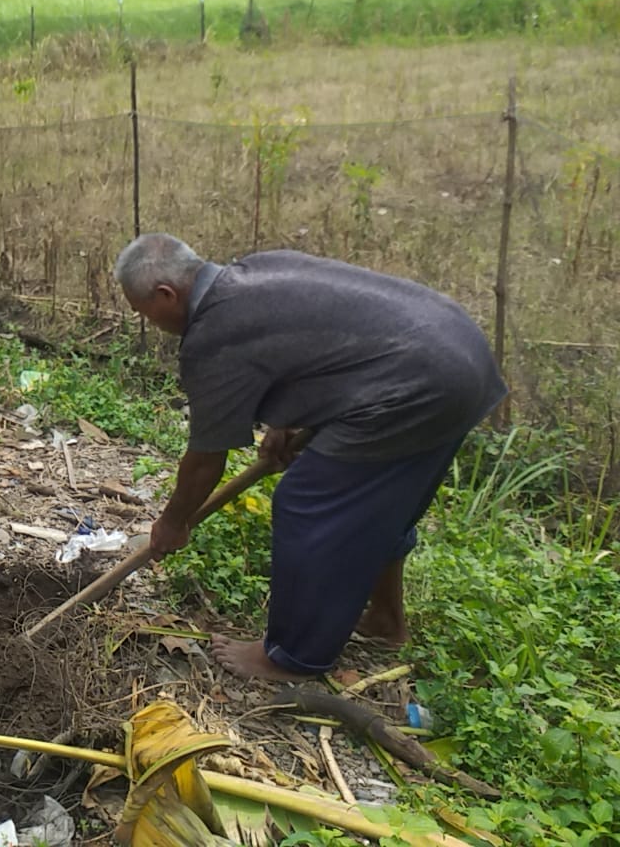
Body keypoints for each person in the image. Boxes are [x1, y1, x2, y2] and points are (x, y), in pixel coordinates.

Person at [113, 234, 506, 681]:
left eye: (143, 311)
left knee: (307, 503)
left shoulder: (213, 336)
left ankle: (291, 656)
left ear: (167, 295)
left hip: (418, 384)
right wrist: (288, 419)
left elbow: (206, 460)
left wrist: (173, 521)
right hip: (456, 351)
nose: (145, 320)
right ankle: (385, 621)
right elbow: (313, 337)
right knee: (380, 504)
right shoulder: (258, 270)